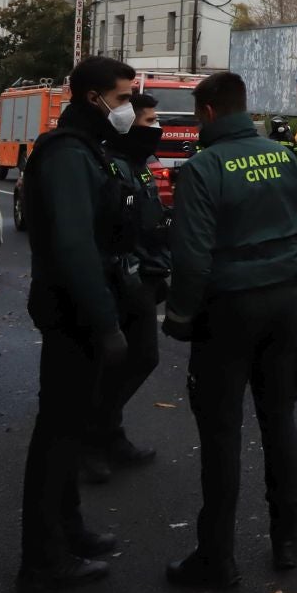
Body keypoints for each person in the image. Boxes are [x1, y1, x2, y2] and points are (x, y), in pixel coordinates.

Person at [162, 71, 297, 590]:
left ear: (207, 112)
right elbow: (294, 223)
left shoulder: (203, 168)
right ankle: (288, 539)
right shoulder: (283, 155)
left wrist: (179, 317)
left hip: (228, 308)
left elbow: (192, 255)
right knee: (280, 421)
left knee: (222, 433)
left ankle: (216, 556)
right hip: (284, 301)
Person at [16, 56, 138, 593]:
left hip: (79, 306)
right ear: (94, 98)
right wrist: (105, 320)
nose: (128, 106)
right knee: (58, 436)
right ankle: (43, 559)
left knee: (67, 429)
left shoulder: (89, 149)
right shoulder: (67, 155)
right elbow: (73, 245)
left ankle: (69, 531)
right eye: (123, 96)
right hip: (72, 310)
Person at [81, 92, 169, 484]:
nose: (157, 128)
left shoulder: (141, 166)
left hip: (143, 278)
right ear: (127, 124)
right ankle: (92, 442)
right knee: (112, 362)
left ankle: (108, 433)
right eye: (149, 121)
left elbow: (153, 221)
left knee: (143, 358)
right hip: (116, 281)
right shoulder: (108, 165)